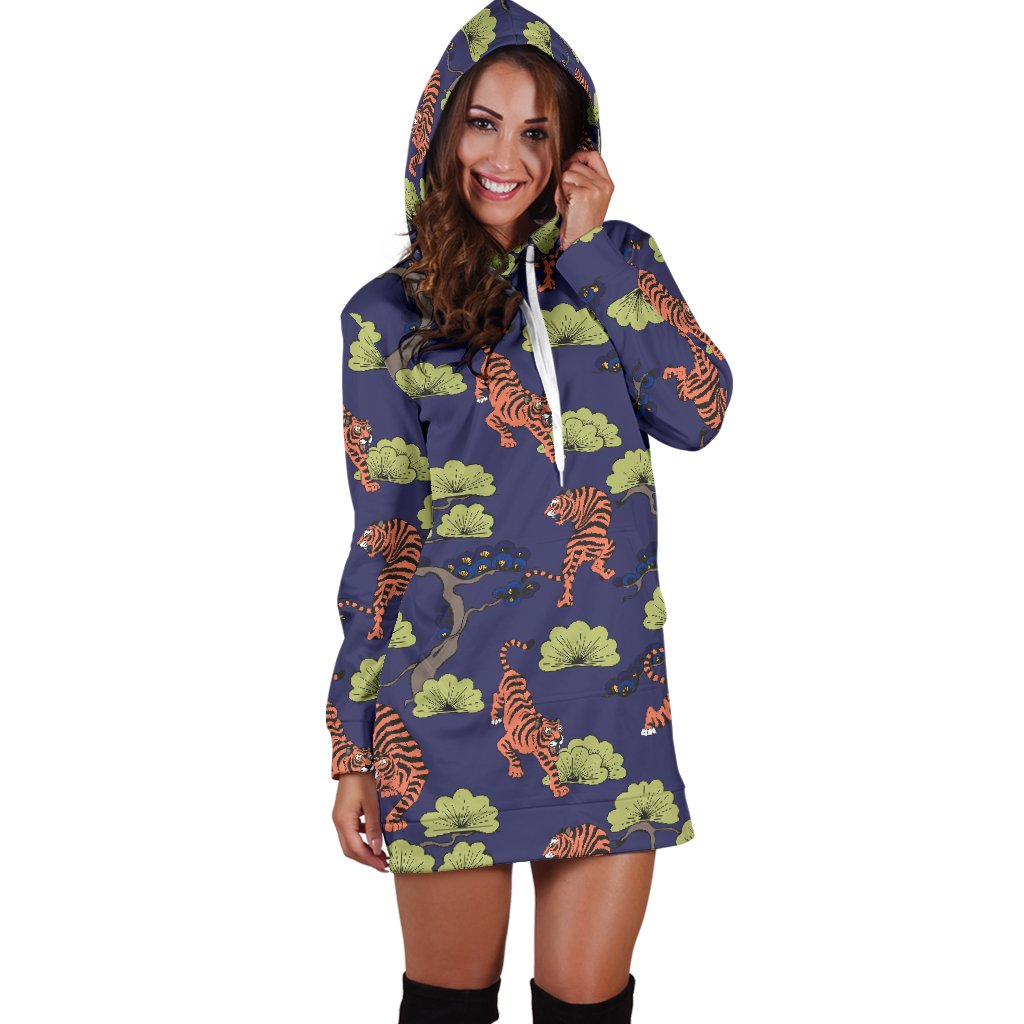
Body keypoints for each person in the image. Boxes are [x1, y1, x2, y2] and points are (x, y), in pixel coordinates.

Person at [325, 3, 734, 1021]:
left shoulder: (620, 262)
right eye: (483, 123)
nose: (504, 157)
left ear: (570, 151)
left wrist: (590, 253)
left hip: (611, 707)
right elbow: (385, 536)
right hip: (445, 714)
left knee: (588, 1006)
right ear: (441, 131)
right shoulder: (385, 315)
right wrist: (353, 744)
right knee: (448, 1010)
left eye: (535, 132)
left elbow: (698, 412)